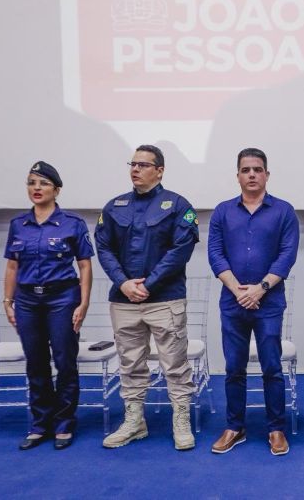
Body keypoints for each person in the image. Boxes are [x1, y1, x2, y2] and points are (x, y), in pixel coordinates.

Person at [95, 144, 199, 451]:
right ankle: (134, 421)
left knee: (175, 363)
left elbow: (180, 251)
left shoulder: (177, 205)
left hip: (165, 299)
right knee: (130, 363)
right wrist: (124, 283)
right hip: (124, 300)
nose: (135, 169)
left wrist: (148, 285)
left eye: (143, 165)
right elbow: (104, 248)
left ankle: (181, 419)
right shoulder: (115, 206)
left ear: (160, 170)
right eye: (133, 164)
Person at [208, 148, 299, 456]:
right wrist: (239, 291)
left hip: (268, 304)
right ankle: (235, 426)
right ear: (237, 175)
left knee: (272, 367)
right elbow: (215, 254)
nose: (251, 174)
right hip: (232, 303)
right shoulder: (222, 212)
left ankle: (276, 429)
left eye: (257, 169)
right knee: (234, 367)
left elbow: (287, 255)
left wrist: (260, 289)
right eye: (245, 169)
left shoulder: (284, 211)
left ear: (266, 175)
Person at [3, 161, 93, 450]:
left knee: (65, 362)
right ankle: (40, 424)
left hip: (62, 298)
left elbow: (84, 266)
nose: (36, 188)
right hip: (28, 300)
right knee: (36, 362)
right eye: (31, 183)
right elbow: (12, 267)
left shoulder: (72, 223)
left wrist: (83, 303)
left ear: (57, 189)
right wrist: (8, 301)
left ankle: (64, 423)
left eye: (43, 183)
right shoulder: (18, 224)